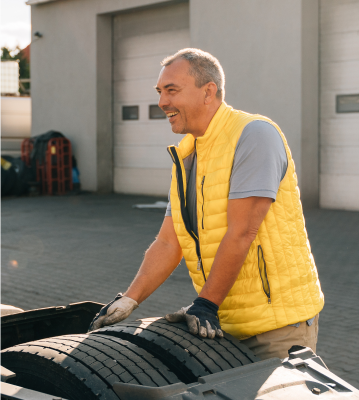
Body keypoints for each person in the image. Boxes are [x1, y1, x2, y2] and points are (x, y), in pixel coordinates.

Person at [89, 48, 324, 360]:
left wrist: (205, 303)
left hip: (276, 327)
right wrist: (129, 299)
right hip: (222, 324)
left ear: (208, 91)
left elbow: (242, 231)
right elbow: (169, 241)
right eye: (160, 92)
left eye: (172, 90)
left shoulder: (254, 135)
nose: (162, 103)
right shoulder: (187, 153)